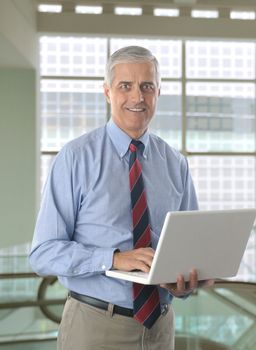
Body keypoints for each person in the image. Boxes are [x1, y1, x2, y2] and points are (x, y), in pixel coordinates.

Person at [29, 46, 213, 350]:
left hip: (160, 328)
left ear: (158, 92)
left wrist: (185, 281)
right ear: (107, 92)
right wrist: (113, 259)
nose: (137, 97)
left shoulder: (175, 163)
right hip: (96, 326)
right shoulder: (75, 159)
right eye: (125, 86)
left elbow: (187, 247)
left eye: (147, 86)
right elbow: (43, 253)